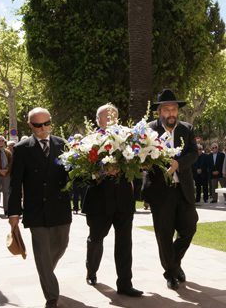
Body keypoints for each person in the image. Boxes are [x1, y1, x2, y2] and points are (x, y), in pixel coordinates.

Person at [8, 107, 71, 308]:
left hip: (60, 207)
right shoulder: (21, 148)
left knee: (61, 245)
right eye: (38, 125)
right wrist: (14, 212)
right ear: (30, 125)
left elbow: (71, 174)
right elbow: (15, 183)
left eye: (47, 123)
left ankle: (45, 272)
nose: (43, 128)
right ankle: (52, 296)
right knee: (42, 253)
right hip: (36, 210)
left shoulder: (62, 144)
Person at [82, 104, 143, 297]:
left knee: (125, 242)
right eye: (106, 117)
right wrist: (103, 170)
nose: (110, 119)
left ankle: (125, 284)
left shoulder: (127, 138)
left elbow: (137, 161)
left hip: (123, 199)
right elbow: (84, 170)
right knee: (96, 238)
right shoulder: (90, 140)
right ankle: (91, 270)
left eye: (113, 116)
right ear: (98, 120)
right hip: (99, 201)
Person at [141, 89, 198, 291]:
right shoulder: (148, 130)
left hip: (183, 189)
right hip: (160, 192)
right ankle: (171, 273)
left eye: (174, 109)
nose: (171, 113)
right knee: (164, 235)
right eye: (167, 109)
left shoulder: (187, 129)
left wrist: (178, 164)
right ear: (159, 112)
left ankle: (173, 263)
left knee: (190, 227)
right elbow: (141, 157)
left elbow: (193, 154)